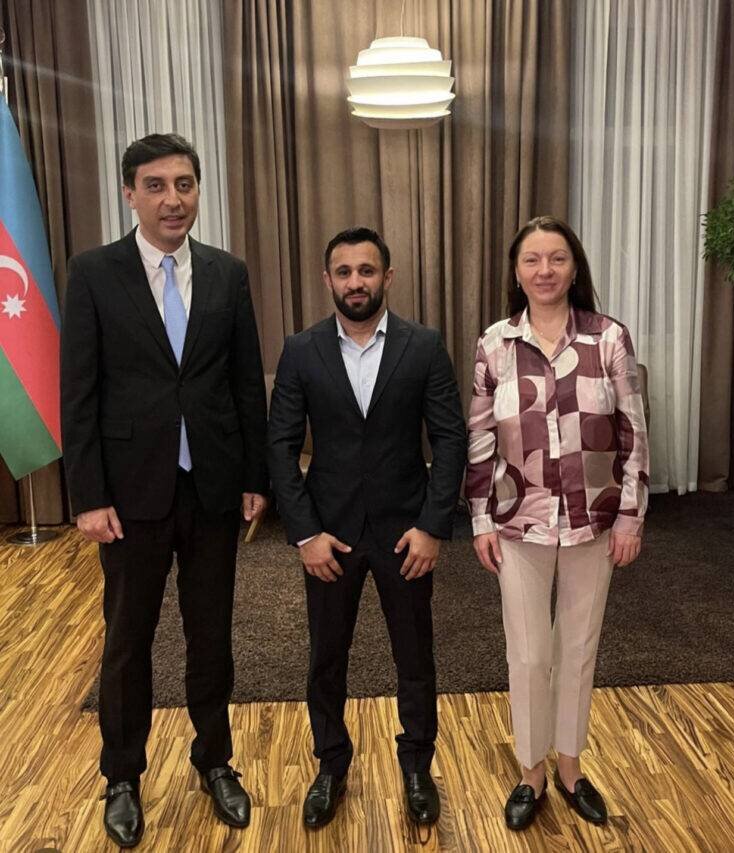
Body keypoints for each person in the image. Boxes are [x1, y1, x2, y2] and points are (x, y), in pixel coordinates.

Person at [61, 133, 269, 847]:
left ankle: (214, 760)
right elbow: (78, 392)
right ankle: (122, 774)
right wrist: (88, 495)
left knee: (212, 635)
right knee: (128, 640)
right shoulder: (94, 273)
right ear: (130, 194)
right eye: (155, 185)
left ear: (197, 190)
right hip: (129, 495)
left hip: (211, 487)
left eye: (184, 184)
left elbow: (245, 381)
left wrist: (254, 476)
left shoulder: (227, 272)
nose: (172, 199)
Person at [267, 226, 466, 830]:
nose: (356, 282)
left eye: (367, 271)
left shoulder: (423, 346)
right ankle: (331, 765)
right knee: (326, 658)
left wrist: (433, 526)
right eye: (345, 272)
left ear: (388, 277)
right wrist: (305, 534)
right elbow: (279, 446)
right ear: (328, 280)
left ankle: (417, 767)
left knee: (415, 657)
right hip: (330, 537)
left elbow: (450, 438)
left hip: (406, 535)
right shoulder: (301, 350)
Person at [466, 215, 649, 831]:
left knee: (578, 647)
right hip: (517, 523)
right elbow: (478, 439)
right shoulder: (494, 344)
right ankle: (531, 772)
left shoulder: (609, 338)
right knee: (527, 654)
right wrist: (479, 519)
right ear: (517, 273)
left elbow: (633, 433)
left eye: (557, 259)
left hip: (594, 521)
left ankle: (570, 766)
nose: (544, 270)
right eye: (532, 260)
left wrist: (631, 516)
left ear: (574, 269)